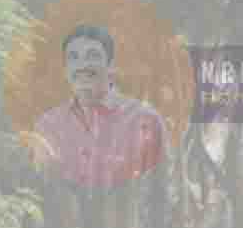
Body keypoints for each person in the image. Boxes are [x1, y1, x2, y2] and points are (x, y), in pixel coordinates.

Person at [30, 24, 167, 188]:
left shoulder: (145, 121)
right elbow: (38, 190)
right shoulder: (47, 124)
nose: (82, 65)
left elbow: (162, 191)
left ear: (111, 66)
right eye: (73, 57)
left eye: (92, 56)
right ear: (65, 69)